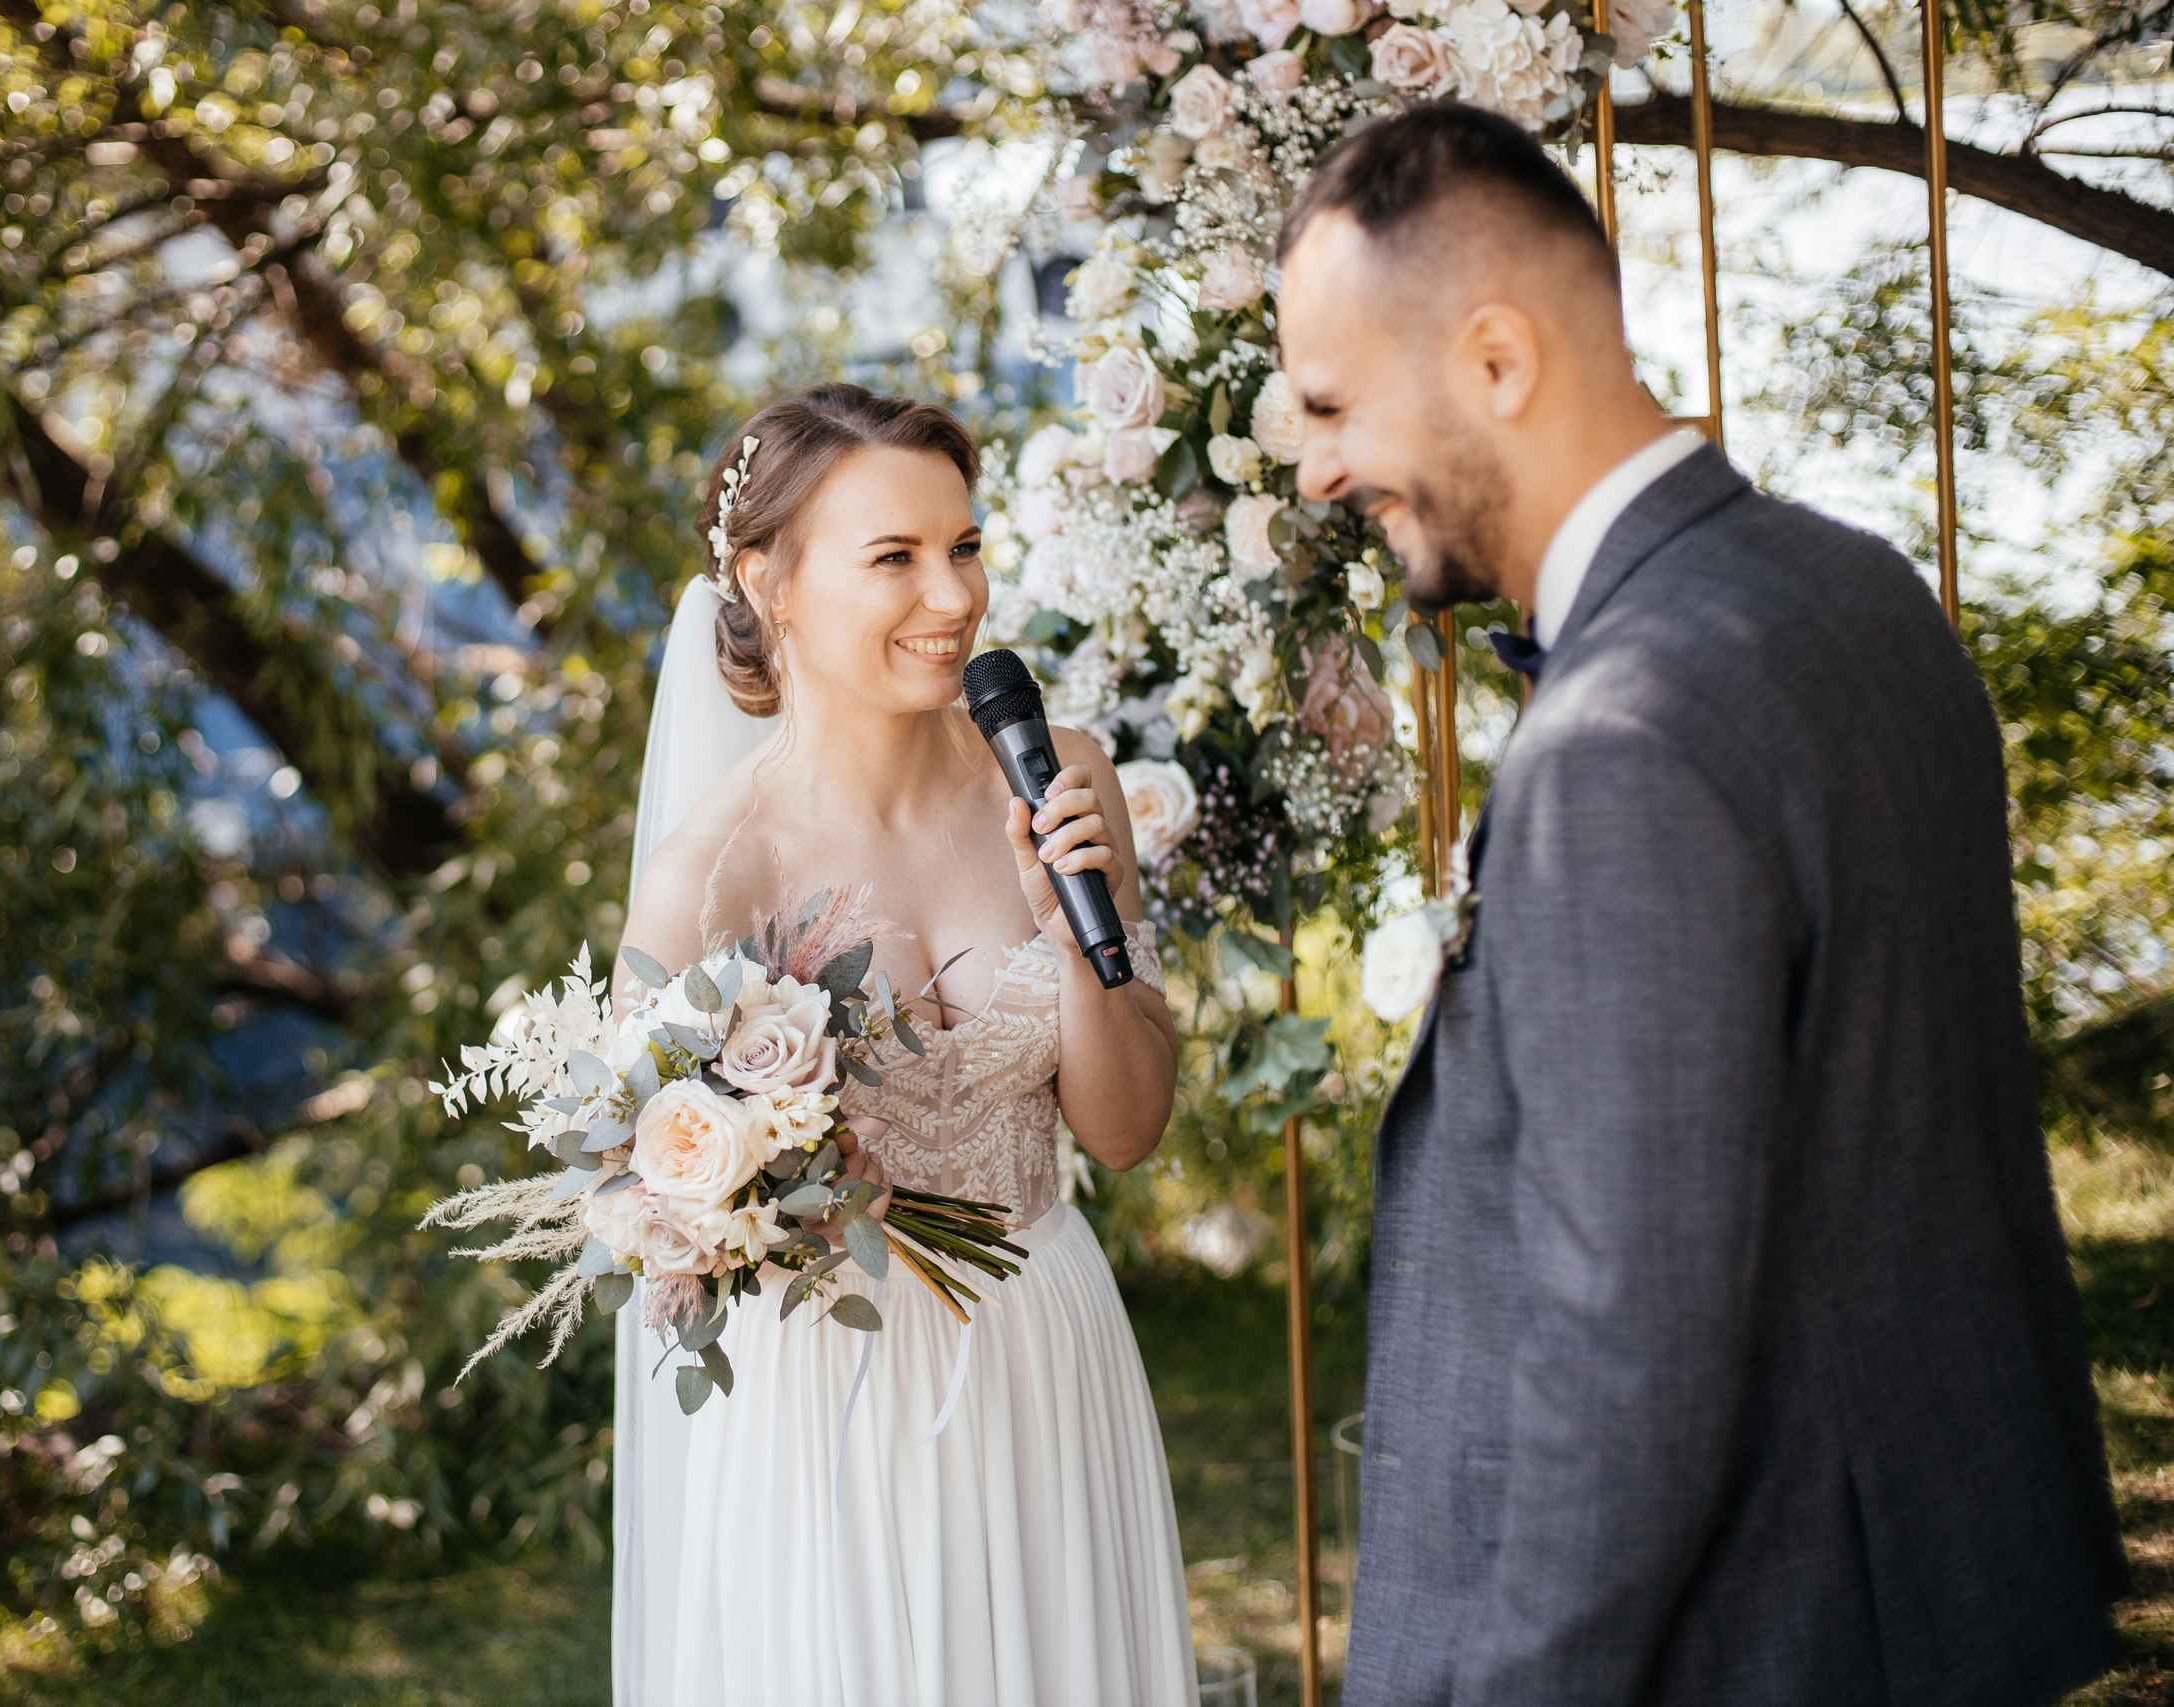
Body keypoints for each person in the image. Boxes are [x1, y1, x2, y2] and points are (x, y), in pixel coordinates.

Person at [1271, 104, 2127, 1706]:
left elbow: (1633, 1351)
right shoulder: (1863, 593)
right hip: (1931, 1607)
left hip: (1744, 1642)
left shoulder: (1625, 738)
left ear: (1497, 361)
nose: (1315, 463)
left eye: (1330, 402)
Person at [608, 382, 1195, 1706]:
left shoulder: (1059, 776)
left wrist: (1075, 935)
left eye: (966, 546)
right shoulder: (714, 879)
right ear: (771, 583)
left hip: (1049, 1351)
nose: (954, 596)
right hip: (832, 1400)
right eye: (896, 558)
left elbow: (1127, 1129)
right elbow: (661, 1216)